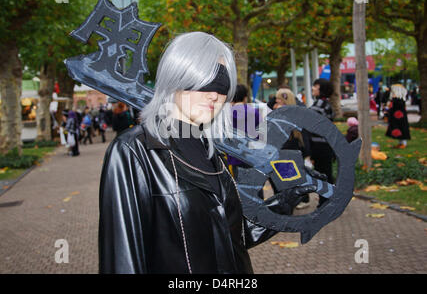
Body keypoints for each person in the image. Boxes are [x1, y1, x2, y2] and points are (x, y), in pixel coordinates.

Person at [98, 31, 314, 274]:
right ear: (176, 77)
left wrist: (285, 200)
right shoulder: (134, 151)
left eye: (223, 86)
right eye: (205, 82)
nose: (215, 95)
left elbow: (232, 236)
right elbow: (123, 259)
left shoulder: (209, 150)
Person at [309, 78, 335, 207]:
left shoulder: (319, 104)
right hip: (326, 145)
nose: (313, 88)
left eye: (315, 86)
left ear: (321, 89)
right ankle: (328, 200)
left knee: (322, 175)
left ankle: (326, 202)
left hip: (319, 146)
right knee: (326, 174)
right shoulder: (326, 104)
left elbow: (308, 122)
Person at [227, 84, 261, 178]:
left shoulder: (226, 114)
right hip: (253, 155)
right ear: (245, 98)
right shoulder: (255, 112)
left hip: (233, 156)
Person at [385, 84, 411, 148]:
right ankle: (400, 142)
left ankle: (403, 143)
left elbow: (398, 106)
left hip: (400, 118)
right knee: (398, 129)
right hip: (396, 118)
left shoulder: (399, 100)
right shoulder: (396, 99)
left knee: (401, 129)